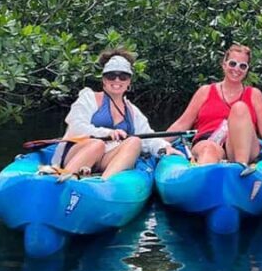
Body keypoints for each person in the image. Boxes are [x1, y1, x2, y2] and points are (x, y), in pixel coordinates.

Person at [50, 48, 182, 180]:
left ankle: (104, 183)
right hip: (79, 153)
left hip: (106, 159)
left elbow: (147, 137)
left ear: (129, 81)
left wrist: (164, 147)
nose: (117, 80)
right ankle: (65, 178)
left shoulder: (132, 111)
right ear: (104, 80)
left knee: (135, 141)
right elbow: (76, 127)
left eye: (123, 76)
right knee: (97, 144)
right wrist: (106, 133)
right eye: (111, 76)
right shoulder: (88, 98)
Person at [165, 44, 262, 170]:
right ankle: (204, 176)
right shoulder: (205, 91)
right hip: (209, 141)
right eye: (233, 64)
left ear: (247, 70)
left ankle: (241, 167)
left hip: (242, 145)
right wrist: (157, 142)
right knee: (208, 149)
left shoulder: (254, 94)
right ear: (224, 65)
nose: (237, 69)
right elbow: (182, 123)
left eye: (243, 66)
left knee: (239, 108)